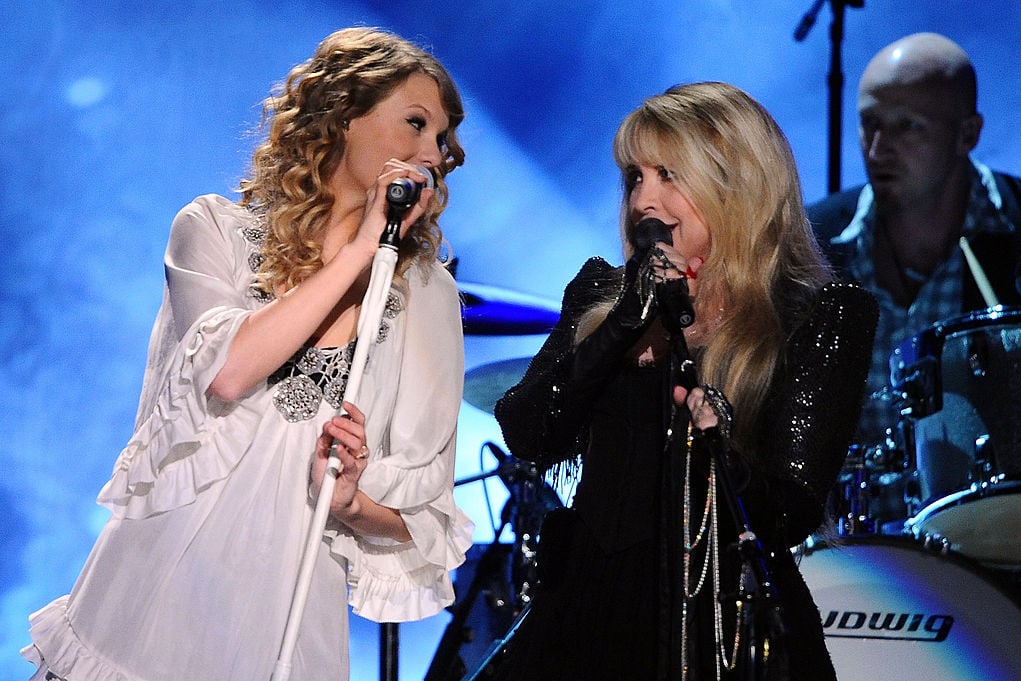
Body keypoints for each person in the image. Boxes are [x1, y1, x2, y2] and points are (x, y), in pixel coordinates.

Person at [21, 27, 473, 681]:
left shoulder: (427, 295)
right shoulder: (212, 231)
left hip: (284, 618)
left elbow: (423, 517)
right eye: (415, 124)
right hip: (157, 598)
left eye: (442, 140)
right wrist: (361, 250)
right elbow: (229, 371)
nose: (432, 152)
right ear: (344, 115)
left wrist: (350, 503)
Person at [485, 82, 877, 681]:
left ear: (735, 183)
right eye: (634, 177)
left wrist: (722, 451)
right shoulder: (600, 295)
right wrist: (622, 323)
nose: (644, 197)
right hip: (583, 618)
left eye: (668, 174)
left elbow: (791, 510)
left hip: (721, 624)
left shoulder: (818, 313)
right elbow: (529, 430)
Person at [807, 32, 1021, 448]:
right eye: (869, 124)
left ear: (968, 134)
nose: (877, 150)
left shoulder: (1016, 225)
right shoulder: (815, 240)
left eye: (907, 126)